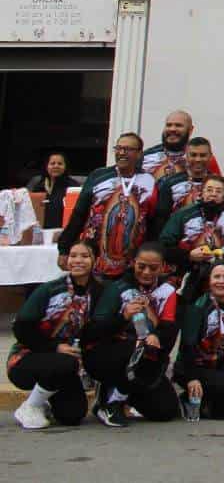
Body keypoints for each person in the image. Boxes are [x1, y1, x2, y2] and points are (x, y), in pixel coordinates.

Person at [83, 241, 181, 427]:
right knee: (136, 350)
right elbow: (93, 331)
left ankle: (124, 393)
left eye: (153, 268)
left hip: (145, 357)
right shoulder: (117, 288)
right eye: (141, 266)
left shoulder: (168, 291)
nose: (146, 272)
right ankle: (110, 400)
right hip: (108, 354)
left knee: (165, 410)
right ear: (133, 263)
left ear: (163, 267)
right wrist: (123, 316)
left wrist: (157, 336)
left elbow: (168, 329)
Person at [8, 239, 102, 429]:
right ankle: (30, 406)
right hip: (30, 356)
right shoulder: (49, 289)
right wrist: (55, 347)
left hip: (69, 362)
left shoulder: (100, 291)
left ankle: (45, 401)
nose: (78, 261)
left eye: (85, 256)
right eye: (73, 256)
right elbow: (22, 328)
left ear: (95, 261)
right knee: (65, 362)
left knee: (72, 416)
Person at [58, 132, 158, 280]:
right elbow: (79, 213)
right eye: (118, 148)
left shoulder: (149, 181)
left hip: (132, 263)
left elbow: (153, 220)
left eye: (128, 149)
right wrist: (64, 248)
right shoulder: (99, 176)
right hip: (95, 256)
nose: (122, 153)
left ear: (139, 154)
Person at [175, 259, 224, 421]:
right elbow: (187, 346)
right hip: (195, 366)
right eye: (217, 277)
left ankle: (220, 408)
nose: (221, 281)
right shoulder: (198, 307)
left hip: (222, 362)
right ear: (209, 281)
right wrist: (192, 378)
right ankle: (188, 399)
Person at [26, 151, 77, 229]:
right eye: (52, 163)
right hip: (41, 230)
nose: (56, 166)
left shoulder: (73, 187)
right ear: (47, 167)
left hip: (63, 230)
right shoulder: (38, 186)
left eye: (60, 164)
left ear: (65, 166)